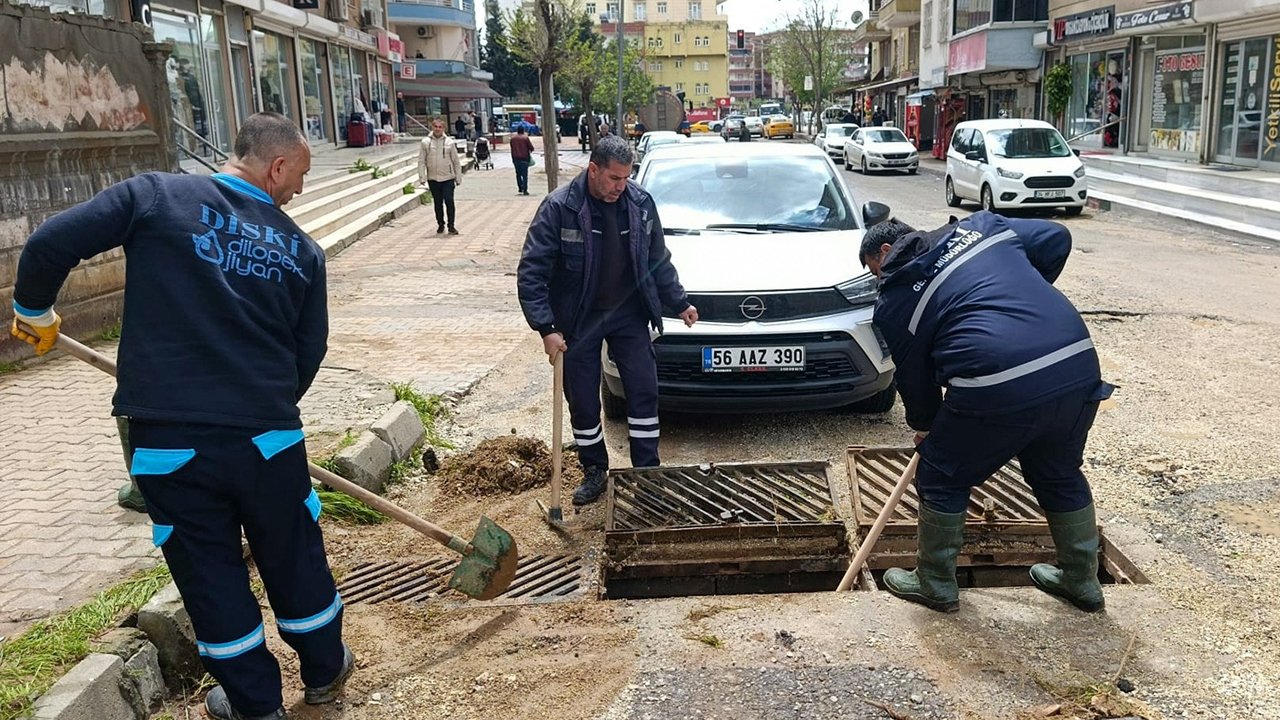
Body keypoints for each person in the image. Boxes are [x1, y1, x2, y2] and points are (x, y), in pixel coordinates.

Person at [9, 112, 353, 720]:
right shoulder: (302, 252)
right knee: (294, 553)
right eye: (299, 176)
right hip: (267, 439)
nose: (299, 190)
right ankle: (325, 672)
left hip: (169, 441)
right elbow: (309, 351)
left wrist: (34, 311)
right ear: (276, 167)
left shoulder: (154, 196)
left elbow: (48, 243)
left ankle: (254, 705)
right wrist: (264, 403)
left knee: (208, 569)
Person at [859, 212, 1113, 615]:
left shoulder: (895, 302)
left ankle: (935, 583)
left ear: (886, 252)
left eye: (876, 272)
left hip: (998, 381)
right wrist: (1023, 296)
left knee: (940, 473)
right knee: (1057, 471)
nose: (879, 282)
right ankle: (1081, 581)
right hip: (1076, 364)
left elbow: (914, 381)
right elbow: (1055, 237)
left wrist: (926, 428)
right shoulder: (980, 227)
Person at [516, 136, 698, 506]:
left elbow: (657, 258)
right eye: (615, 178)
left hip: (629, 314)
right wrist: (547, 329)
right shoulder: (559, 208)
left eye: (626, 178)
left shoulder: (641, 204)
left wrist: (679, 302)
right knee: (582, 400)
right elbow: (531, 273)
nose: (621, 187)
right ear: (593, 170)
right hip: (577, 319)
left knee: (644, 391)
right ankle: (595, 470)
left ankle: (646, 472)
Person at [418, 116, 462, 235]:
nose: (437, 129)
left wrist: (458, 177)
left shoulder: (449, 142)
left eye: (440, 127)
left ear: (443, 128)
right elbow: (421, 161)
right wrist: (422, 177)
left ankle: (451, 226)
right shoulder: (425, 142)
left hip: (448, 177)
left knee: (449, 201)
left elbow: (455, 161)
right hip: (433, 178)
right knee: (438, 203)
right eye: (435, 127)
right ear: (432, 128)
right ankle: (440, 224)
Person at [509, 125, 535, 196]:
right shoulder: (525, 138)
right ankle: (525, 190)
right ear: (523, 131)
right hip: (524, 159)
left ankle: (520, 187)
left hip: (515, 158)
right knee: (524, 175)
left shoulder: (513, 139)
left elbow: (512, 148)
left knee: (518, 174)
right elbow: (531, 148)